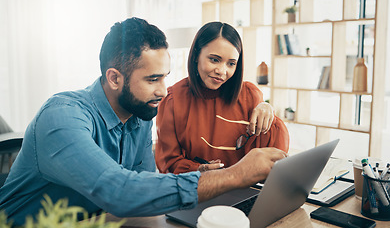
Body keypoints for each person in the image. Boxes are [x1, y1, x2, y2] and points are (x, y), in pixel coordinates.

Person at [0, 17, 287, 226]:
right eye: (153, 79)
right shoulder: (61, 116)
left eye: (164, 77)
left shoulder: (139, 116)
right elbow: (120, 191)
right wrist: (236, 175)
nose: (163, 90)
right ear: (114, 78)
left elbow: (144, 190)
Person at [155, 21, 289, 174]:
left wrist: (269, 111)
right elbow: (167, 162)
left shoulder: (250, 95)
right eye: (214, 59)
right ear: (196, 55)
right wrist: (199, 170)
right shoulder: (173, 100)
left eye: (231, 63)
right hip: (197, 191)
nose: (222, 71)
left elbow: (275, 158)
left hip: (244, 192)